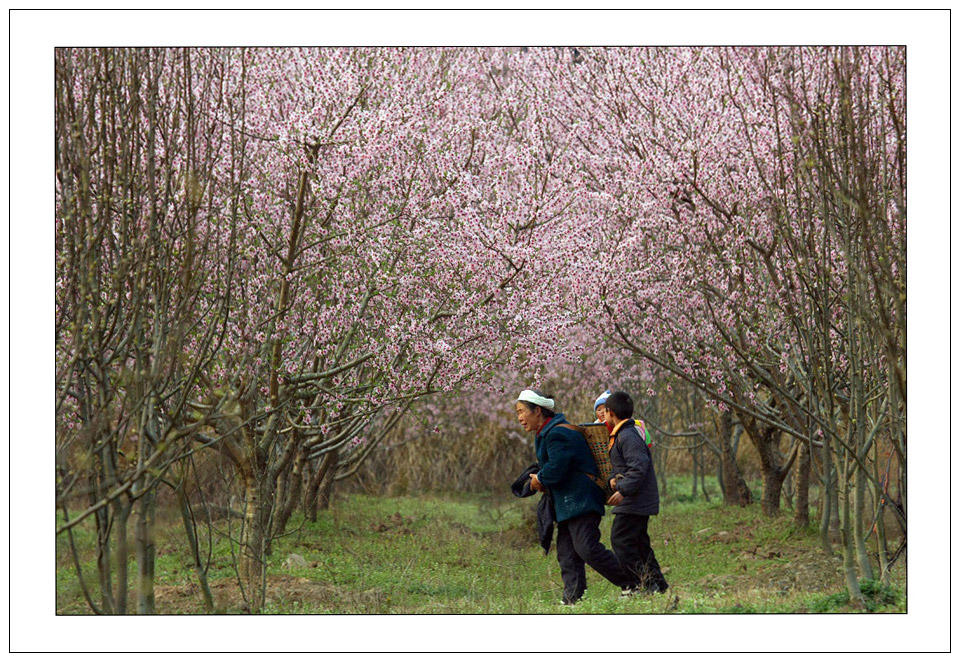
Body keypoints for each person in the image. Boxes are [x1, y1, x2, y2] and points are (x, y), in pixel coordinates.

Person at [515, 389, 630, 605]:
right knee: (567, 553)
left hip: (581, 500)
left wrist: (538, 479)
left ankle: (631, 582)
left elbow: (557, 468)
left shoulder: (558, 433)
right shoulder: (549, 432)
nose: (519, 418)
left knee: (587, 547)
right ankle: (572, 599)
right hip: (569, 502)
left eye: (521, 412)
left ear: (537, 411)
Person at [602, 390, 669, 595]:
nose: (602, 416)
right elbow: (625, 465)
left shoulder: (627, 436)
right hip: (636, 500)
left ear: (610, 412)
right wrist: (614, 477)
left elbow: (639, 467)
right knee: (639, 543)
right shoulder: (624, 434)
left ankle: (644, 585)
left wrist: (622, 490)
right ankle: (657, 585)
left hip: (634, 501)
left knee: (621, 540)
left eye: (604, 412)